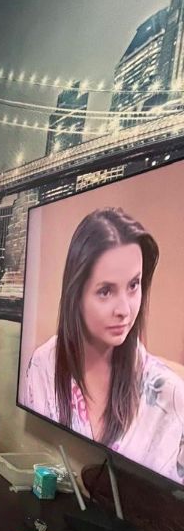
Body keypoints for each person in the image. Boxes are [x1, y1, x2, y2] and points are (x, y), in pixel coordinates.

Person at [24, 207, 184, 484]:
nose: (124, 310)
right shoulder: (45, 362)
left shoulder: (172, 397)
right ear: (76, 295)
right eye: (106, 291)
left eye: (133, 285)